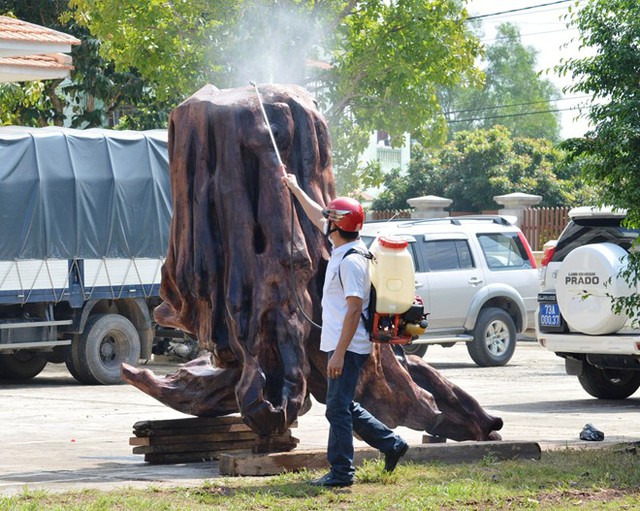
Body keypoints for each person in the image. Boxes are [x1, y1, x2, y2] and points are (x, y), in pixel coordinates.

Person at [282, 172, 409, 488]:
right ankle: (391, 443)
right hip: (341, 344)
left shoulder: (352, 261)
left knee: (336, 411)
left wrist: (338, 353)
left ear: (338, 226)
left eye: (331, 218)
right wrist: (296, 188)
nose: (325, 221)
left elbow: (354, 309)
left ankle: (341, 473)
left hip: (349, 347)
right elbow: (316, 215)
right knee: (342, 406)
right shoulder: (345, 245)